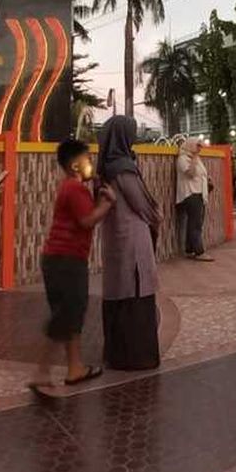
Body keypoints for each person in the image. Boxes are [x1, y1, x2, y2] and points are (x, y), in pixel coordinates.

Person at [31, 139, 114, 389]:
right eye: (88, 159)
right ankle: (42, 371)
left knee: (72, 313)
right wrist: (108, 204)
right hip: (66, 260)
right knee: (65, 314)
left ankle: (74, 367)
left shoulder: (71, 187)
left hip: (61, 259)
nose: (92, 164)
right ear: (76, 165)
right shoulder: (74, 189)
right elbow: (87, 220)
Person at [97, 116, 162, 370]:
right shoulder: (123, 167)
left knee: (119, 291)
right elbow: (141, 203)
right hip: (132, 241)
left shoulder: (106, 166)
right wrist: (156, 217)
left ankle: (116, 353)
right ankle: (136, 357)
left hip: (115, 237)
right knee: (134, 290)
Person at [176, 137, 214, 261]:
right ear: (191, 145)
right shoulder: (182, 158)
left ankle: (190, 249)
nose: (199, 148)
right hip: (190, 194)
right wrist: (193, 158)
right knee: (196, 224)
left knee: (195, 222)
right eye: (197, 146)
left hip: (199, 193)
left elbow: (201, 174)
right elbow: (190, 173)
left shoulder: (197, 159)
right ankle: (199, 251)